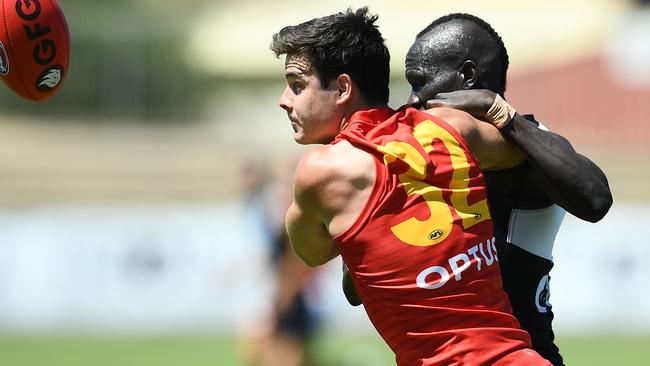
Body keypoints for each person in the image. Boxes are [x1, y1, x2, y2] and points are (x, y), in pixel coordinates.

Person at [272, 7, 552, 365]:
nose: (285, 99)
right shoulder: (451, 127)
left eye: (297, 85)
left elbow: (311, 252)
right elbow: (543, 152)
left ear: (343, 88)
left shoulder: (323, 170)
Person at [342, 13, 613, 366]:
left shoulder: (526, 144)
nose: (412, 100)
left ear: (467, 78)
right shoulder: (428, 160)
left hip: (522, 355)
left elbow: (596, 199)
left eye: (419, 82)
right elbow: (355, 290)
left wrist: (499, 112)